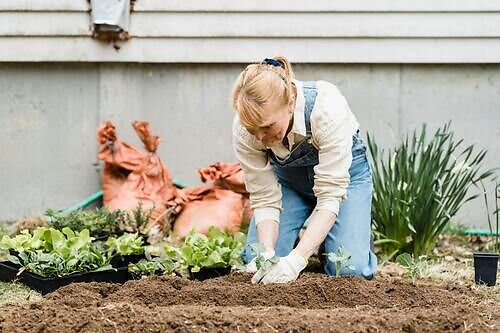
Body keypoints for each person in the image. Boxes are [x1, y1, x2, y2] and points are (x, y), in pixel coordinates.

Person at [231, 55, 377, 284]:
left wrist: (297, 260)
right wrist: (268, 254)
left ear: (290, 103)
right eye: (253, 129)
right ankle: (311, 237)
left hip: (345, 182)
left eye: (267, 126)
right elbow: (264, 198)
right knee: (255, 260)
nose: (260, 137)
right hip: (290, 184)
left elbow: (330, 196)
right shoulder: (245, 128)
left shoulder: (326, 109)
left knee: (349, 270)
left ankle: (343, 233)